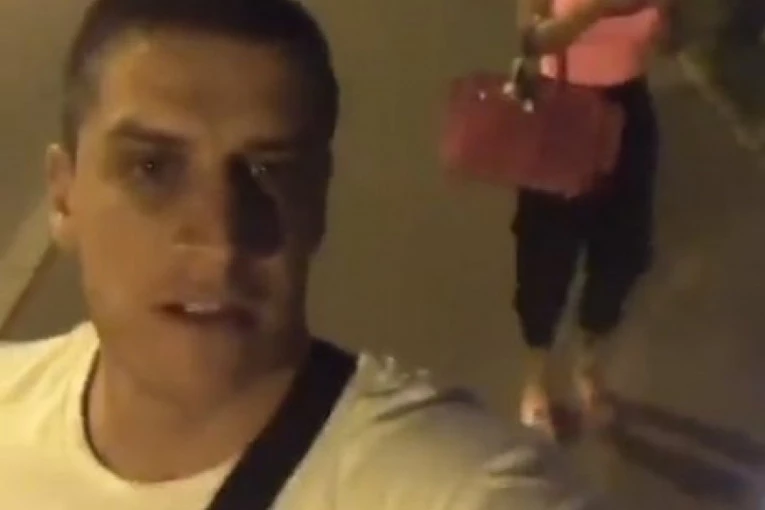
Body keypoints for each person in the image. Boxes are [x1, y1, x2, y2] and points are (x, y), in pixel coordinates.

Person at [0, 0, 601, 508]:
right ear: (63, 197)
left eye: (270, 172)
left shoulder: (459, 489)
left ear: (316, 204)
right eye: (152, 168)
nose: (220, 240)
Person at [514, 0, 673, 437]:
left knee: (624, 253)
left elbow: (669, 40)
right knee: (548, 257)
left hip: (629, 109)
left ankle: (588, 365)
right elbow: (531, 39)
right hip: (562, 107)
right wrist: (598, 10)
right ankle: (537, 378)